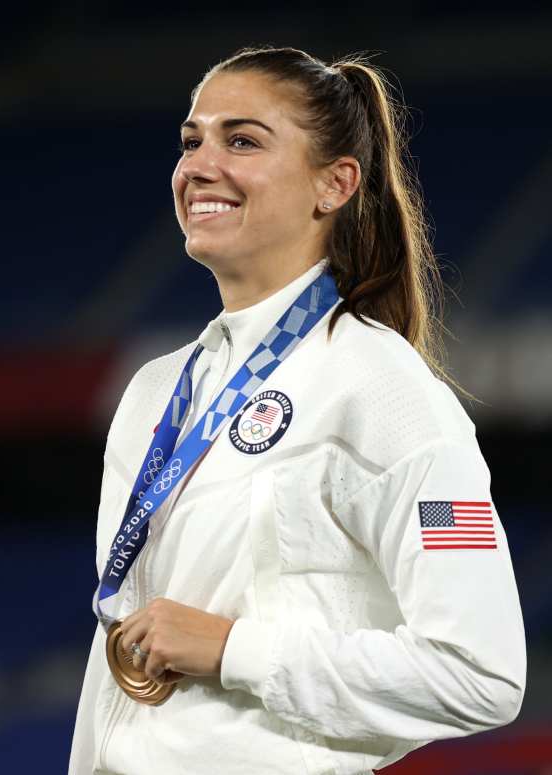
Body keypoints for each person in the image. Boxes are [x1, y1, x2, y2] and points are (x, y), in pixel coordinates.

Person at [69, 45, 526, 775]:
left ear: (335, 183)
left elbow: (481, 673)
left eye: (242, 139)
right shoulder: (156, 392)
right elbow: (117, 641)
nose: (199, 166)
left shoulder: (387, 391)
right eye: (192, 141)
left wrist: (233, 649)